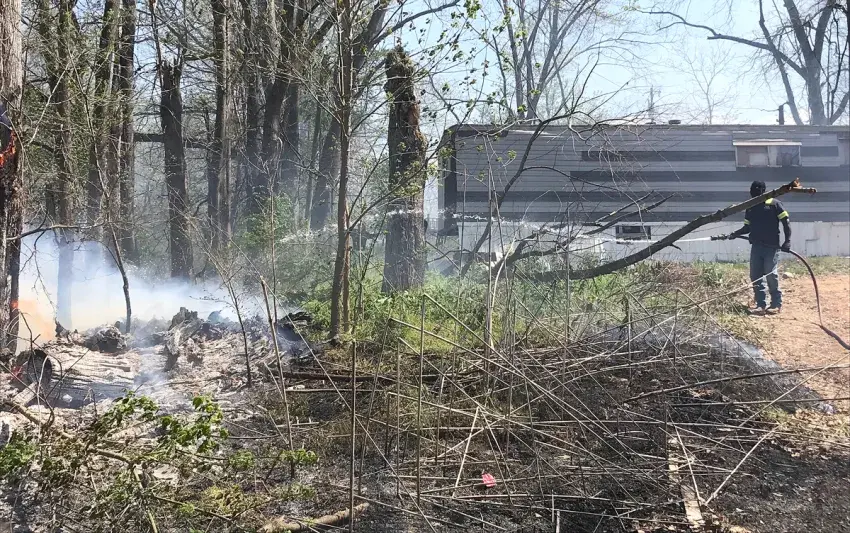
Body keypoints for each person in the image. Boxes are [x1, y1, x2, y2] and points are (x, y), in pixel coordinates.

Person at [723, 180, 791, 315]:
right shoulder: (751, 206)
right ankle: (761, 304)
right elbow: (747, 227)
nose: (754, 191)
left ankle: (776, 304)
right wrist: (735, 234)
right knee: (755, 275)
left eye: (758, 189)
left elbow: (786, 223)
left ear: (764, 190)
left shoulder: (774, 204)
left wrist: (787, 241)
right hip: (756, 246)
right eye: (752, 189)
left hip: (771, 246)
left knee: (770, 274)